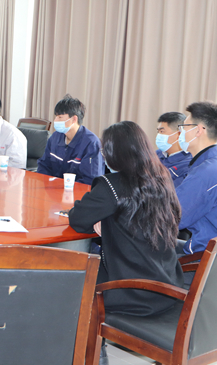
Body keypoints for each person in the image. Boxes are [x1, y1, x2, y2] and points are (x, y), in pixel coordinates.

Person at [68, 121, 183, 363]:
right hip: (169, 286)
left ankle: (94, 356)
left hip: (132, 291)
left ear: (113, 153)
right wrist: (110, 223)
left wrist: (104, 221)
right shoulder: (161, 178)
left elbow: (78, 219)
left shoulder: (112, 184)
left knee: (74, 282)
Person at [175, 102, 217, 255]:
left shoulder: (205, 173)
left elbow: (171, 218)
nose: (180, 133)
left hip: (201, 259)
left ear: (198, 130)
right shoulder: (216, 164)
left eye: (183, 127)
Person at [37, 94, 103, 184]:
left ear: (74, 119)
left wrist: (65, 188)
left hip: (78, 191)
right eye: (56, 117)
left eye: (60, 117)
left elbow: (90, 179)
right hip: (53, 189)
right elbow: (43, 165)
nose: (55, 120)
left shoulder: (91, 143)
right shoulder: (55, 137)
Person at [155, 111, 192, 187]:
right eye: (158, 132)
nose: (158, 136)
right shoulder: (155, 155)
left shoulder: (189, 164)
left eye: (162, 131)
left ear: (179, 134)